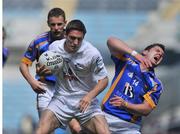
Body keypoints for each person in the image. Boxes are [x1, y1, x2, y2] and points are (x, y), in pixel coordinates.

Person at [35, 19, 110, 134]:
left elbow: (104, 80)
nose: (75, 42)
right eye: (72, 38)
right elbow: (52, 71)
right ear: (65, 35)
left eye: (79, 39)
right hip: (61, 99)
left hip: (85, 101)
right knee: (40, 131)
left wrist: (89, 96)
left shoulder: (92, 54)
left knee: (104, 132)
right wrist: (42, 72)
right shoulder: (54, 48)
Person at [102, 37, 165, 134]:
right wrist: (135, 54)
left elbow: (146, 110)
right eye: (157, 50)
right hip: (106, 117)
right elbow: (111, 41)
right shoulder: (127, 61)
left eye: (162, 56)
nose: (160, 54)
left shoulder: (156, 84)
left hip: (128, 127)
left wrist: (125, 105)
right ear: (145, 52)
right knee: (78, 127)